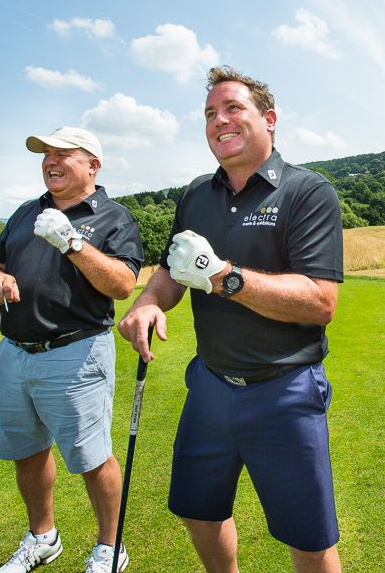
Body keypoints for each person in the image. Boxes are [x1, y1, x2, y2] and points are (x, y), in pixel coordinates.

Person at [118, 66, 344, 573]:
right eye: (209, 114)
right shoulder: (196, 194)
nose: (219, 120)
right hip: (210, 384)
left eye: (233, 108)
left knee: (308, 538)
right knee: (198, 512)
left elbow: (319, 302)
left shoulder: (308, 192)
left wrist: (223, 277)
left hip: (285, 389)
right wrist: (149, 301)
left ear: (269, 119)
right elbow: (172, 269)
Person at [0, 125, 143, 573]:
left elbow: (122, 284)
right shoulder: (26, 212)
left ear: (93, 165)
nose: (51, 160)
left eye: (63, 153)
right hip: (16, 350)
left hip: (76, 352)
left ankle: (110, 547)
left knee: (91, 457)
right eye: (46, 154)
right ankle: (43, 538)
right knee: (27, 451)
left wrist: (72, 241)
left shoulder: (114, 218)